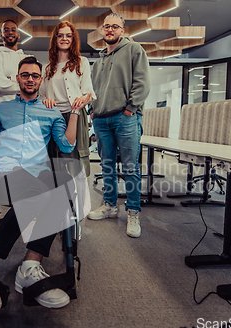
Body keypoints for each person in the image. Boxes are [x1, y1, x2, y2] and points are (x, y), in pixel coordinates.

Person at [0, 56, 80, 310]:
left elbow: (67, 144)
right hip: (6, 171)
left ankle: (30, 265)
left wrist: (75, 113)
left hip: (38, 173)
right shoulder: (2, 109)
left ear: (40, 79)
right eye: (25, 75)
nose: (30, 79)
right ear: (18, 78)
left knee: (61, 185)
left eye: (35, 76)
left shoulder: (50, 110)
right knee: (41, 190)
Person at [87, 13, 151, 238]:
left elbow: (142, 82)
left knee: (130, 168)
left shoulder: (134, 50)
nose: (110, 30)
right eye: (106, 27)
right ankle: (110, 206)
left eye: (115, 26)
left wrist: (131, 108)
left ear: (123, 30)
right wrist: (92, 112)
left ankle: (133, 211)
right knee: (106, 166)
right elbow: (93, 90)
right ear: (102, 31)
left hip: (125, 118)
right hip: (101, 119)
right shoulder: (99, 60)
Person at [40, 21, 95, 177]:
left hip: (76, 115)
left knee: (77, 159)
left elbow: (89, 93)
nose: (64, 39)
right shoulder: (47, 67)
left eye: (68, 36)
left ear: (73, 39)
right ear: (55, 39)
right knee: (57, 159)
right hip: (54, 117)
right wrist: (46, 100)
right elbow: (42, 95)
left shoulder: (82, 62)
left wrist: (84, 98)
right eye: (61, 35)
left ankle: (79, 196)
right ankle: (60, 196)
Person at [0, 19, 28, 110]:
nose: (10, 32)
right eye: (6, 30)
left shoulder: (27, 58)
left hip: (24, 110)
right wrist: (24, 86)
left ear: (18, 34)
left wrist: (8, 79)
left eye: (13, 30)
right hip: (1, 111)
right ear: (1, 35)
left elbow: (35, 85)